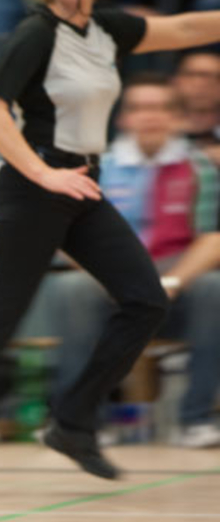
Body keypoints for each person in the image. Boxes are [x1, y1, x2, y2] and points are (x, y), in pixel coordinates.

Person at [0, 0, 220, 494]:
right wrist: (45, 175)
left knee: (145, 299)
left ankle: (72, 420)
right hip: (33, 186)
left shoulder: (108, 29)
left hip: (80, 185)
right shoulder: (36, 33)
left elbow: (184, 26)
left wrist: (65, 179)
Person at [50, 73, 220, 448]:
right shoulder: (98, 166)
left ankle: (194, 419)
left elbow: (211, 238)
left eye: (160, 108)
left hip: (176, 276)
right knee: (73, 288)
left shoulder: (200, 166)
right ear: (123, 117)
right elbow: (70, 238)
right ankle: (80, 422)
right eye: (139, 108)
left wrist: (172, 283)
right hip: (110, 275)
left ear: (177, 118)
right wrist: (119, 279)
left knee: (215, 287)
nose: (149, 116)